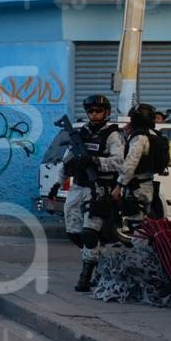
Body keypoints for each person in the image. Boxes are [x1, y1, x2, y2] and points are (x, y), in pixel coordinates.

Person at [49, 94, 124, 292]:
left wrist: (96, 161)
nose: (94, 114)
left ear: (106, 112)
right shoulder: (80, 134)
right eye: (90, 111)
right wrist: (57, 183)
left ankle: (86, 276)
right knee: (73, 232)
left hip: (99, 187)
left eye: (98, 111)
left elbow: (119, 162)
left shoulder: (112, 135)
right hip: (77, 187)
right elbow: (67, 160)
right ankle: (97, 261)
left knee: (89, 233)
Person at [113, 103, 157, 232]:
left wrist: (118, 186)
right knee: (144, 220)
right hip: (147, 184)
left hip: (137, 187)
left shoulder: (139, 137)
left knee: (137, 223)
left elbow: (130, 163)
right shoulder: (153, 134)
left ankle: (141, 251)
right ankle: (144, 249)